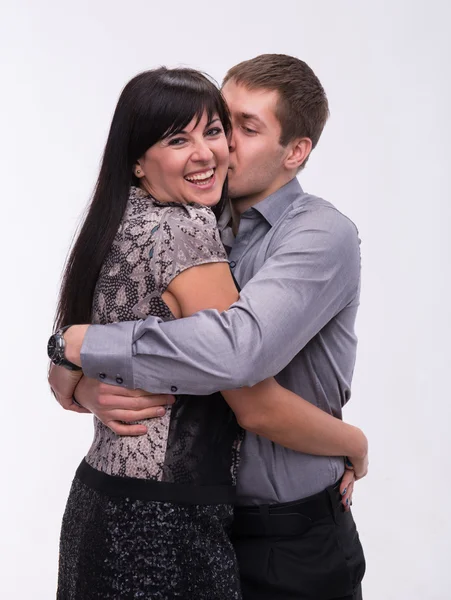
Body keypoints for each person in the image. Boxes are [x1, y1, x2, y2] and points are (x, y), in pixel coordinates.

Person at [49, 55, 367, 600]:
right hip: (189, 523)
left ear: (295, 152)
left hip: (286, 537)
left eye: (242, 128)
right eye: (221, 122)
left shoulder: (320, 234)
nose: (219, 147)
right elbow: (75, 350)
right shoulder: (184, 217)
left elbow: (239, 358)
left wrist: (84, 348)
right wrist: (80, 375)